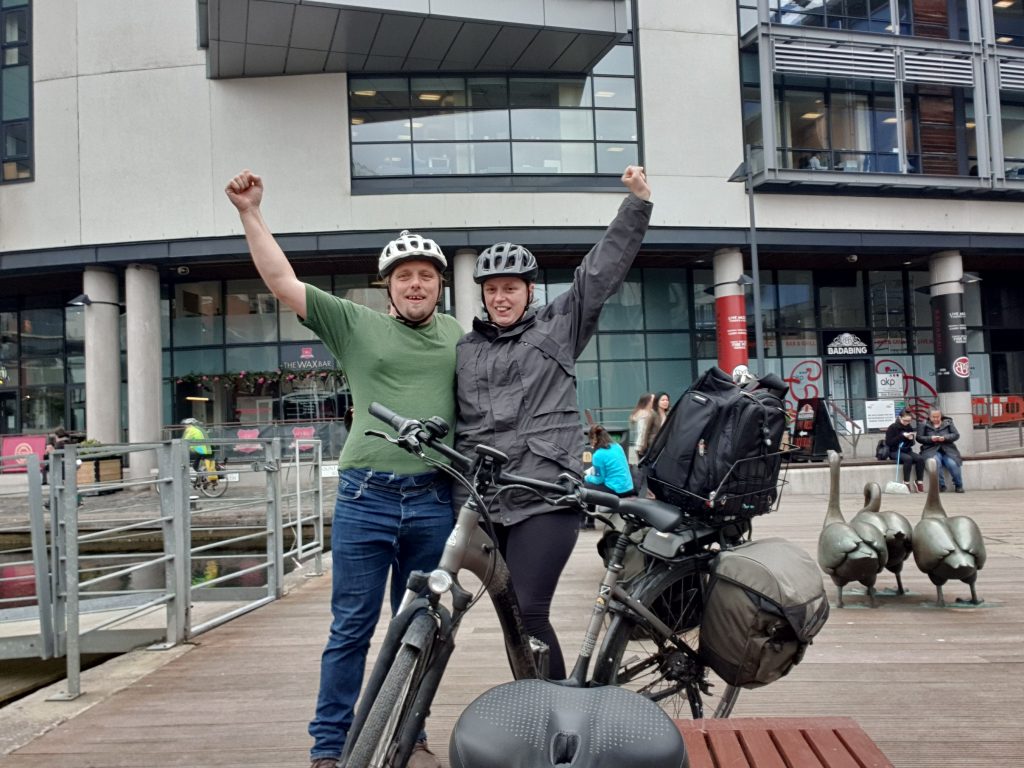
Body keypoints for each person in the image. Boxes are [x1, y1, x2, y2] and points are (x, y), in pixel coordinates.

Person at [225, 170, 463, 768]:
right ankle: (329, 749)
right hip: (367, 497)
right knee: (351, 629)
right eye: (405, 276)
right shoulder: (355, 324)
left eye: (425, 276)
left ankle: (413, 732)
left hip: (435, 500)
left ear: (440, 287)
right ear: (388, 288)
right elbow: (282, 282)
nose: (415, 284)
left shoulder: (462, 337)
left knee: (423, 626)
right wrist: (251, 211)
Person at [454, 165, 652, 680]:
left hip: (545, 496)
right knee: (511, 618)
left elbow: (600, 273)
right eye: (492, 289)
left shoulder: (557, 328)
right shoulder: (465, 350)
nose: (501, 297)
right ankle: (533, 704)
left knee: (530, 610)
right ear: (482, 294)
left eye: (511, 288)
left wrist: (636, 204)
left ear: (529, 290)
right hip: (489, 502)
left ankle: (556, 712)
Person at [917, 408, 965, 493]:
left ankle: (959, 485)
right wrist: (930, 438)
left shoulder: (948, 422)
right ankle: (941, 485)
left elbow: (956, 435)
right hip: (930, 449)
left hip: (948, 449)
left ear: (941, 416)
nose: (935, 419)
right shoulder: (923, 424)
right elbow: (919, 438)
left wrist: (945, 438)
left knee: (953, 464)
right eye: (933, 417)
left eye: (937, 417)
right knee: (935, 462)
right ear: (929, 416)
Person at [585, 424, 635, 498]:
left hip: (617, 490)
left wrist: (587, 477)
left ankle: (589, 509)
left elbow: (598, 480)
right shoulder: (617, 446)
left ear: (593, 440)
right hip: (628, 487)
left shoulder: (598, 455)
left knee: (585, 485)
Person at [885, 409, 925, 492]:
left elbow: (912, 443)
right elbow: (889, 442)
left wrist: (910, 439)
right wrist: (902, 436)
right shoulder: (892, 427)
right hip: (895, 451)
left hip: (907, 450)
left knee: (920, 459)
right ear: (900, 418)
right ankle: (906, 482)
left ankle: (919, 481)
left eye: (909, 421)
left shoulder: (909, 427)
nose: (907, 422)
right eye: (905, 420)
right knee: (908, 459)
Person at [627, 393, 655, 465]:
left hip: (643, 445)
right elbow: (642, 431)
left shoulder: (648, 413)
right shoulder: (644, 414)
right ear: (648, 402)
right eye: (653, 400)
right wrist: (641, 446)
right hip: (643, 446)